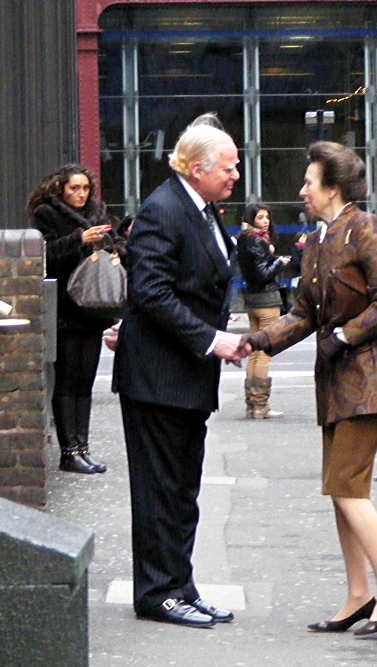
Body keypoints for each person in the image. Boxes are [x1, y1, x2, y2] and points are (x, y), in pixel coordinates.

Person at [239, 141, 377, 637]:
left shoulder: (365, 228)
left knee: (347, 487)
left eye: (309, 182)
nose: (302, 191)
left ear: (332, 189)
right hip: (335, 382)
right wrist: (254, 341)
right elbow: (301, 315)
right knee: (341, 491)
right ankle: (359, 595)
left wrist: (342, 335)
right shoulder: (317, 242)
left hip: (367, 379)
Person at [112, 121, 244, 629]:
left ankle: (180, 585)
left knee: (183, 493)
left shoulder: (201, 209)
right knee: (160, 494)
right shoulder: (163, 210)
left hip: (184, 379)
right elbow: (153, 291)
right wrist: (213, 340)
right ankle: (158, 593)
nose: (235, 174)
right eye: (228, 166)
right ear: (197, 168)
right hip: (159, 381)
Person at [28, 164, 125, 474]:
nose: (81, 194)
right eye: (74, 188)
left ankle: (83, 447)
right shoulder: (46, 214)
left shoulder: (97, 211)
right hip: (65, 307)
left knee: (85, 380)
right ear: (61, 189)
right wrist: (79, 239)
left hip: (93, 305)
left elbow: (115, 240)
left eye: (85, 188)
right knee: (67, 380)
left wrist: (118, 251)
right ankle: (68, 451)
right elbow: (45, 255)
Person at [237, 203, 290, 419]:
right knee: (265, 352)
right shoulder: (258, 241)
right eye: (260, 218)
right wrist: (279, 262)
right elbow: (263, 273)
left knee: (255, 352)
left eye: (267, 217)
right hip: (267, 301)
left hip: (251, 300)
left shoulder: (244, 240)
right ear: (252, 220)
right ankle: (260, 405)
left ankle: (252, 404)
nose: (266, 221)